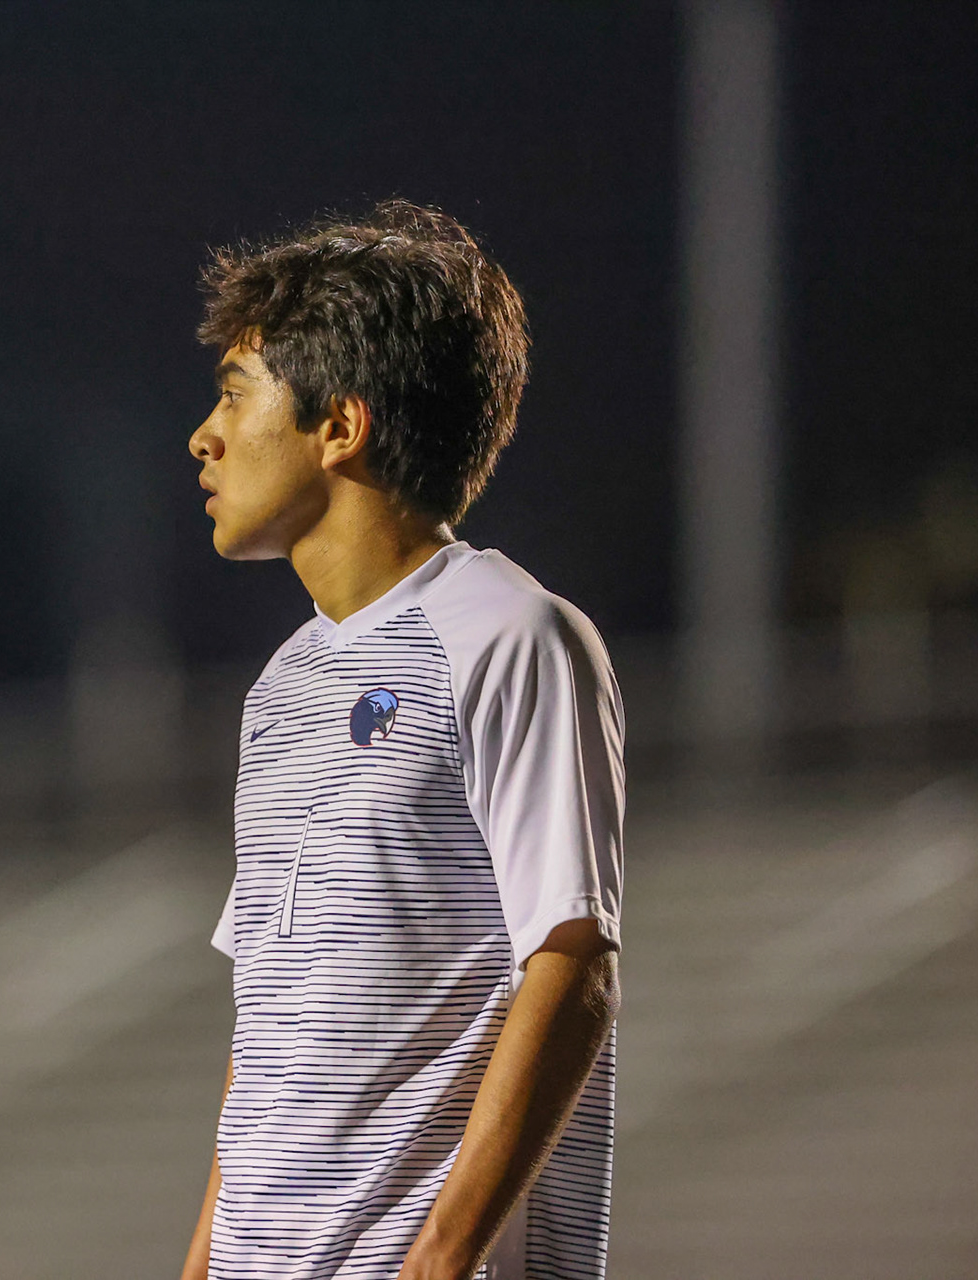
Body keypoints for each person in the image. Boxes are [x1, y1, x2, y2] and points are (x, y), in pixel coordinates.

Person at [180, 201, 624, 1280]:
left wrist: (441, 1257)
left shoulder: (515, 634)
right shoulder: (283, 684)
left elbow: (574, 964)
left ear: (341, 425)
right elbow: (269, 1033)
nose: (204, 433)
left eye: (237, 395)